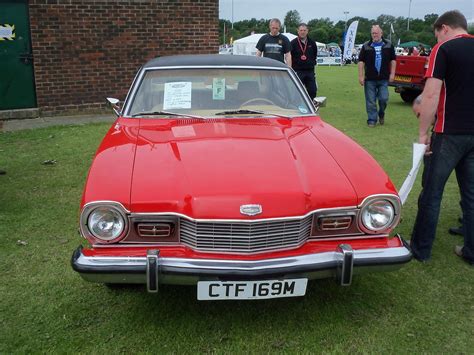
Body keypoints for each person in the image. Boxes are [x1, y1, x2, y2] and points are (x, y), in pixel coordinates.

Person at [410, 10, 474, 265]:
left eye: (436, 34)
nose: (436, 39)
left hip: (449, 133)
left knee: (432, 192)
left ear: (444, 28)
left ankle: (420, 248)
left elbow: (430, 94)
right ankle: (471, 249)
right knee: (471, 195)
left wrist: (423, 133)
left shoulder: (444, 49)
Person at [358, 25, 396, 127]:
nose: (374, 35)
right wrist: (361, 76)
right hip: (370, 79)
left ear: (381, 34)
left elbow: (393, 60)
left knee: (384, 99)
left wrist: (392, 74)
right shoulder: (366, 46)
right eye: (373, 33)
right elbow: (361, 61)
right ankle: (372, 120)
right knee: (370, 101)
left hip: (383, 78)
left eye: (376, 33)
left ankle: (381, 113)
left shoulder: (388, 45)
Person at [290, 23, 318, 99]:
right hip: (298, 71)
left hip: (309, 71)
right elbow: (290, 56)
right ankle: (297, 107)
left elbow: (314, 55)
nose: (302, 32)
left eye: (304, 30)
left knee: (312, 91)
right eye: (301, 30)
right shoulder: (293, 43)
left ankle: (311, 107)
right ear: (298, 31)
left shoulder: (312, 43)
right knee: (296, 92)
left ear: (307, 31)